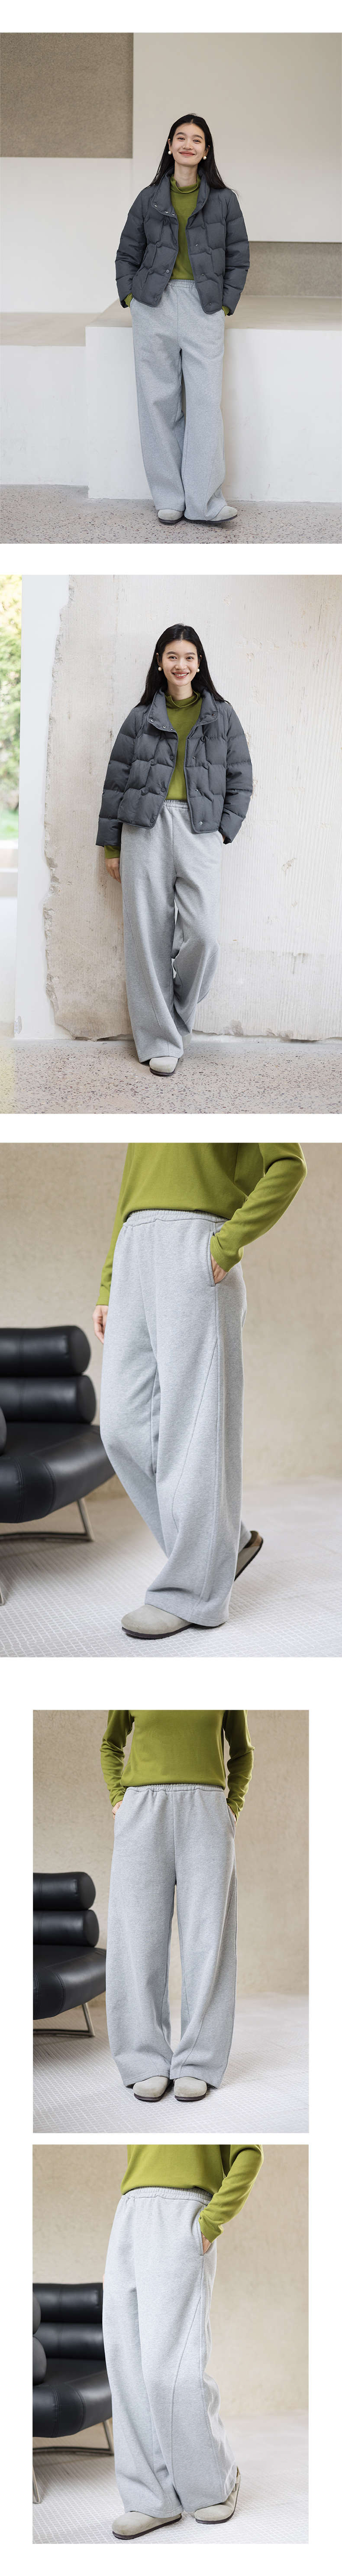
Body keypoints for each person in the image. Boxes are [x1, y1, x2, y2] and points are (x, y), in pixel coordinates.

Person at [93, 1140, 307, 1639]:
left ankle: (192, 1592)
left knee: (196, 1431)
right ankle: (224, 1545)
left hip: (194, 1244)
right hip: (133, 1249)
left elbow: (288, 1165)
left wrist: (224, 1245)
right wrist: (109, 1281)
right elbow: (131, 1190)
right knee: (123, 1429)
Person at [97, 623, 252, 1075]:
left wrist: (222, 831)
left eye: (188, 657)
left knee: (204, 935)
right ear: (160, 663)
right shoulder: (140, 716)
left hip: (200, 829)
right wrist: (111, 845)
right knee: (147, 936)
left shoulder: (222, 715)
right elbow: (116, 781)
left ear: (199, 663)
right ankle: (160, 1040)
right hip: (143, 828)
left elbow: (241, 778)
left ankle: (174, 1015)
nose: (180, 664)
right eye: (172, 656)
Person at [103, 2140, 263, 2537]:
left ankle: (216, 2483)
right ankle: (149, 2498)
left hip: (183, 2212)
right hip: (130, 2211)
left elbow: (249, 2152)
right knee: (127, 2364)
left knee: (172, 2368)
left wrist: (210, 2224)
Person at [101, 1705, 253, 2100]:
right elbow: (111, 1743)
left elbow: (243, 1751)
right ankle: (144, 2059)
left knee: (208, 1942)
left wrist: (232, 1805)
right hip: (142, 1809)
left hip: (207, 1812)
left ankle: (197, 2062)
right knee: (137, 1940)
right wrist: (119, 1796)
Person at [115, 113, 249, 526]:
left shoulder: (224, 200)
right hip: (153, 304)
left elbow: (239, 256)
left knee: (206, 404)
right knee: (157, 402)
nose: (188, 144)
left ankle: (205, 502)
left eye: (197, 139)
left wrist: (225, 304)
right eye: (181, 137)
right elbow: (127, 251)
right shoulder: (148, 198)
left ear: (206, 151)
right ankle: (169, 498)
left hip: (203, 305)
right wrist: (132, 296)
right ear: (170, 146)